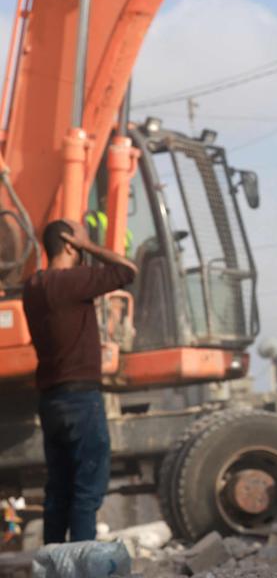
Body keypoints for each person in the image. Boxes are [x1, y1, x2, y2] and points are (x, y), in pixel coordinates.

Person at [24, 220, 137, 543]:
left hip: (51, 402)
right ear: (70, 244)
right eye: (80, 238)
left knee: (58, 493)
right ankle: (83, 568)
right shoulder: (72, 283)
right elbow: (127, 270)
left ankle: (55, 567)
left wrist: (79, 247)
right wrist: (88, 246)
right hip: (81, 400)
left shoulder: (33, 287)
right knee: (86, 493)